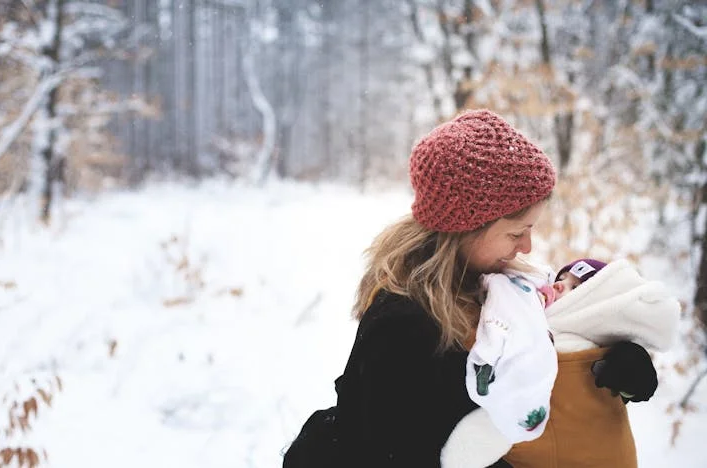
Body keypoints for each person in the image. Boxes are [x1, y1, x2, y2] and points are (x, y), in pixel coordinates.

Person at [282, 109, 658, 468]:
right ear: (467, 228)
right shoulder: (401, 324)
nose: (527, 247)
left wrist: (621, 368)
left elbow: (556, 349)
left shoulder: (506, 287)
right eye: (516, 233)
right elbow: (395, 453)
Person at [448, 257, 679, 467]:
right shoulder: (522, 319)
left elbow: (631, 387)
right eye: (561, 278)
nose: (559, 285)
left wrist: (633, 376)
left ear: (594, 305)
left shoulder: (603, 351)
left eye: (575, 287)